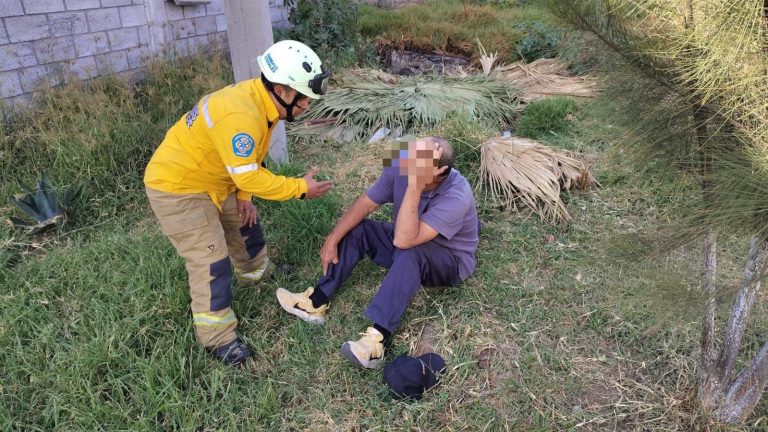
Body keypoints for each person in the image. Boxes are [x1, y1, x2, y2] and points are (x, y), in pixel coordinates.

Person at [144, 40, 333, 366]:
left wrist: (244, 197)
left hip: (216, 180)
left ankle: (255, 273)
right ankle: (217, 338)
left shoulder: (263, 104)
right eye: (302, 98)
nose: (306, 105)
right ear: (281, 90)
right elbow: (249, 176)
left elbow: (250, 163)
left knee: (245, 223)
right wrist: (300, 188)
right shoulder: (241, 115)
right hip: (178, 187)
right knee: (211, 261)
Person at [276, 136, 479, 368]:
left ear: (438, 172)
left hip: (448, 259)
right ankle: (316, 302)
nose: (408, 159)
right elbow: (367, 204)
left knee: (410, 253)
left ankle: (376, 342)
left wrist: (415, 184)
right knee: (358, 229)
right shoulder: (402, 162)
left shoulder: (457, 195)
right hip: (406, 237)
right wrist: (332, 239)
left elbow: (404, 241)